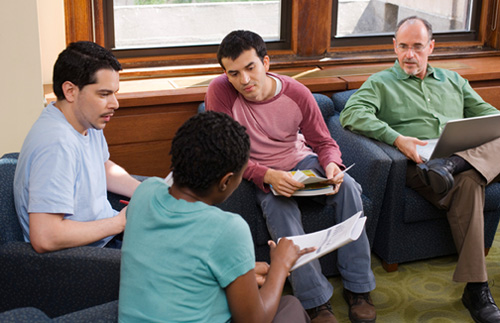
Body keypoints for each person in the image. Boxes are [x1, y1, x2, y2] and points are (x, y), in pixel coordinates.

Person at [205, 30, 376, 323]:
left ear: (266, 63)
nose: (244, 80)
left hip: (301, 161)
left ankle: (358, 288)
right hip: (261, 171)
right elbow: (222, 152)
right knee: (278, 207)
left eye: (250, 68)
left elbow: (324, 143)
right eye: (233, 73)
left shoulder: (296, 92)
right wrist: (266, 175)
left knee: (347, 186)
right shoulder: (219, 91)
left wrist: (333, 165)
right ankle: (316, 302)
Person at [340, 16, 500, 323]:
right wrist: (397, 139)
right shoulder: (381, 83)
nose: (409, 55)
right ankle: (477, 288)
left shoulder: (454, 81)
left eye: (417, 46)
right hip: (421, 165)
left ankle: (455, 163)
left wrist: (466, 147)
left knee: (470, 174)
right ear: (394, 47)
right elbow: (352, 114)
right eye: (403, 46)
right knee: (470, 183)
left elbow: (492, 118)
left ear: (431, 47)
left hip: (457, 158)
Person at [119, 111, 313, 323]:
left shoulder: (144, 192)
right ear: (226, 181)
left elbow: (179, 257)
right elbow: (255, 320)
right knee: (291, 306)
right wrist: (280, 266)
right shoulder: (227, 228)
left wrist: (242, 269)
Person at [14, 41, 141, 253]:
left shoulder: (87, 120)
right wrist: (120, 222)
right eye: (104, 94)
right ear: (70, 91)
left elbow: (103, 166)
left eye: (114, 93)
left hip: (105, 235)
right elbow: (45, 237)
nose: (115, 103)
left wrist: (144, 192)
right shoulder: (56, 144)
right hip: (84, 258)